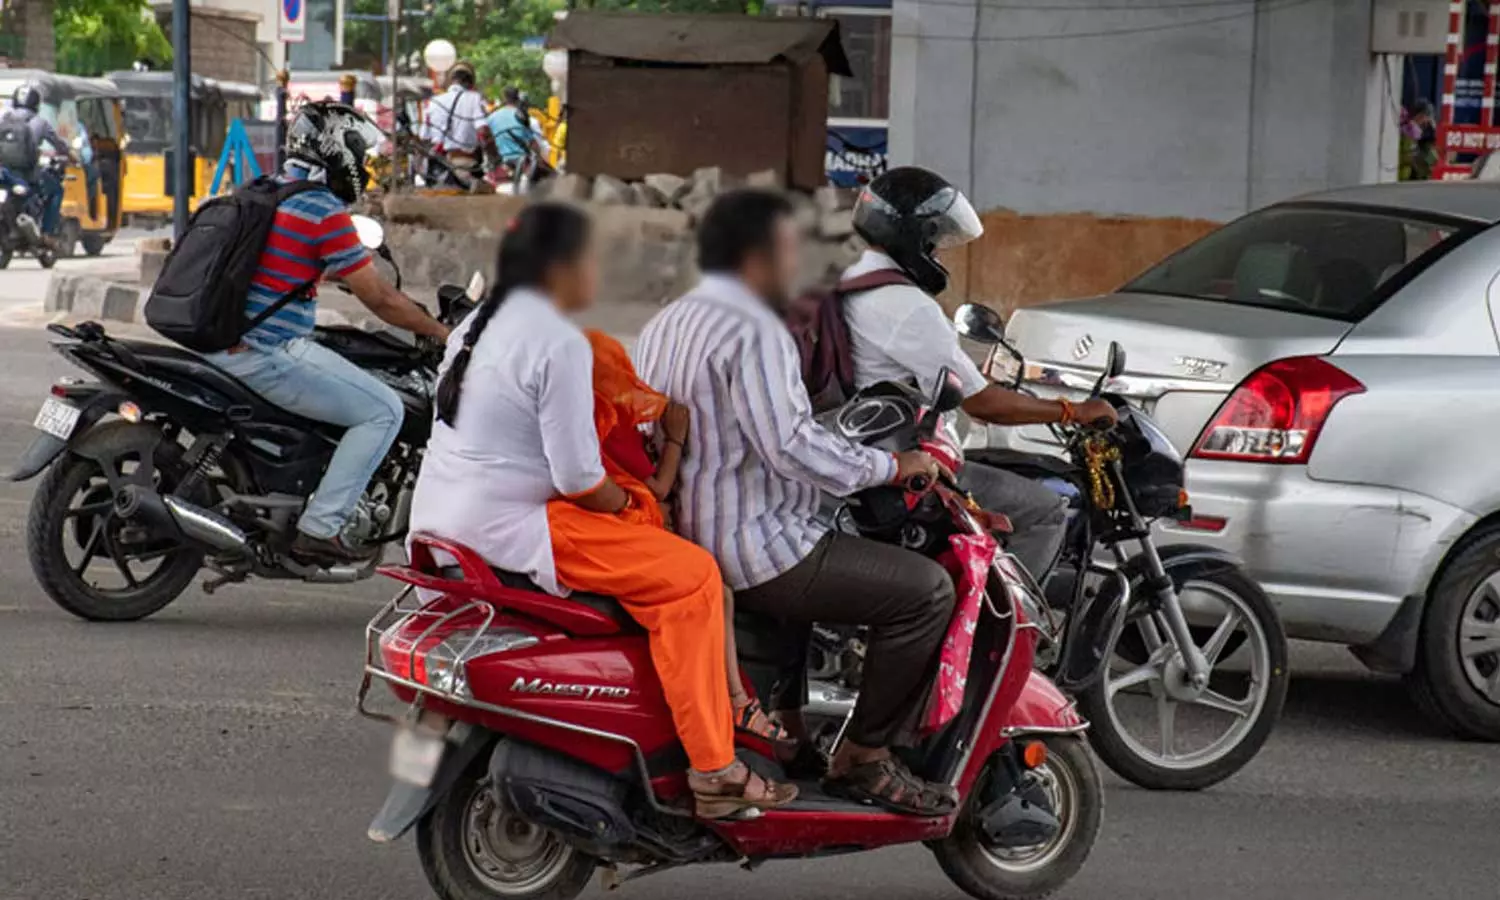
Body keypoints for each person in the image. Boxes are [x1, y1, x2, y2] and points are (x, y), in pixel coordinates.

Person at [408, 202, 796, 819]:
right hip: (514, 526)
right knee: (693, 577)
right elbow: (581, 479)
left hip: (442, 519)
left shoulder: (479, 323)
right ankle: (714, 770)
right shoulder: (557, 341)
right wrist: (634, 507)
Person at [634, 189, 959, 817]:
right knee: (925, 593)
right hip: (754, 545)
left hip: (690, 535)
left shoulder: (671, 318)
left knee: (833, 549)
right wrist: (893, 466)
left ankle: (789, 732)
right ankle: (864, 758)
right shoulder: (755, 328)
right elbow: (790, 445)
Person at [842, 166, 1117, 580]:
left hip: (861, 443)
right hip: (901, 460)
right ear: (914, 236)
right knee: (1045, 510)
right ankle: (1007, 635)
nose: (936, 254)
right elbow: (984, 404)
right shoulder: (905, 305)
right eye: (934, 242)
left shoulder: (851, 280)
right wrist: (1072, 411)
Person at [204, 101, 449, 564]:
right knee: (383, 411)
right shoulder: (322, 210)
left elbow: (282, 264)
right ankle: (322, 525)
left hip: (222, 343)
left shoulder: (264, 190)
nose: (364, 165)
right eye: (361, 153)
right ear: (339, 150)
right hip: (267, 350)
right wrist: (440, 330)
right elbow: (381, 299)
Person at [581, 328, 790, 744]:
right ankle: (733, 706)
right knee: (712, 587)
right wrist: (676, 438)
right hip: (617, 525)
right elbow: (655, 488)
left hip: (594, 523)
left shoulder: (587, 415)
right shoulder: (608, 423)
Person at [0, 84, 72, 242]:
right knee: (56, 191)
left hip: (3, 173)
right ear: (35, 103)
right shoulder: (40, 122)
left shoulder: (3, 119)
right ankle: (47, 232)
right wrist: (70, 154)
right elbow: (59, 145)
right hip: (27, 174)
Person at [423, 63, 488, 187]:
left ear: (451, 82)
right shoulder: (474, 98)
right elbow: (483, 130)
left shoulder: (433, 101)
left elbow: (424, 136)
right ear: (470, 83)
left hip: (439, 164)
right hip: (468, 160)